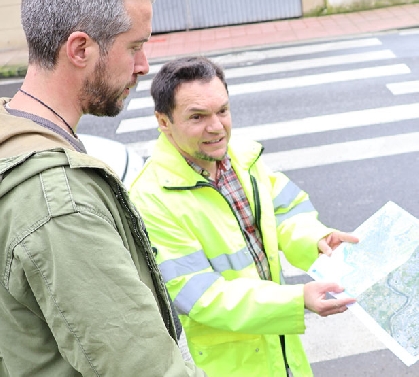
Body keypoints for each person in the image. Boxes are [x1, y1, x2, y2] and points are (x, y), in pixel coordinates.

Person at [0, 0, 206, 375]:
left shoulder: (12, 136)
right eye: (134, 47)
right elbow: (144, 367)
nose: (145, 66)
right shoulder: (59, 202)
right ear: (80, 48)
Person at [129, 56, 358, 377]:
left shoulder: (242, 158)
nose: (216, 127)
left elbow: (286, 211)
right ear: (164, 121)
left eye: (222, 111)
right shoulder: (151, 198)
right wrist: (296, 301)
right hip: (232, 364)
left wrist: (316, 239)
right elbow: (203, 296)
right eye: (197, 117)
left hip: (282, 349)